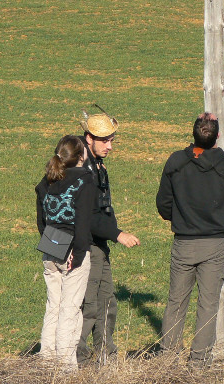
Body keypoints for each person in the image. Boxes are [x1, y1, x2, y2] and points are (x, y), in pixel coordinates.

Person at [156, 112, 224, 367]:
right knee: (208, 304)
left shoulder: (176, 161)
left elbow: (163, 203)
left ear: (193, 134)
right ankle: (199, 362)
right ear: (218, 136)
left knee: (176, 301)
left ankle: (168, 358)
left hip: (183, 243)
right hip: (215, 244)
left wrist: (180, 218)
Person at [76, 108, 140, 366]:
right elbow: (87, 216)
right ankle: (78, 363)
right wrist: (118, 234)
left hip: (99, 245)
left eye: (112, 140)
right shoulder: (80, 169)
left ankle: (106, 359)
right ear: (88, 137)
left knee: (107, 303)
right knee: (88, 306)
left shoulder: (97, 165)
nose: (110, 146)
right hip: (86, 246)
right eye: (105, 140)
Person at [35, 135, 95, 370]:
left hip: (51, 244)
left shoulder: (48, 179)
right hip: (73, 248)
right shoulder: (84, 180)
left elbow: (41, 220)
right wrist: (77, 255)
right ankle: (64, 367)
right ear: (81, 156)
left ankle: (46, 360)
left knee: (54, 306)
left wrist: (52, 242)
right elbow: (82, 224)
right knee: (70, 309)